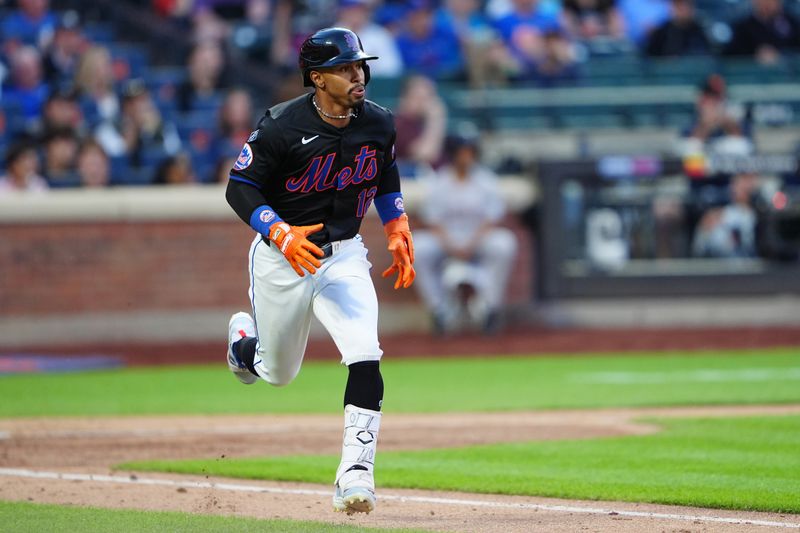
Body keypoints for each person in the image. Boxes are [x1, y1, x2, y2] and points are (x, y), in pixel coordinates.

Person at [223, 27, 415, 515]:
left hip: (344, 253)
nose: (358, 75)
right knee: (278, 373)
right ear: (317, 78)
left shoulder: (379, 122)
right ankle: (243, 347)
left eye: (360, 66)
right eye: (346, 68)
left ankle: (355, 474)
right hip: (283, 257)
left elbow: (385, 169)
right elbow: (240, 186)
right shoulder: (281, 125)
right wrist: (279, 231)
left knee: (365, 353)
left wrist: (395, 223)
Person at [412, 132, 517, 335]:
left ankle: (489, 307)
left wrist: (471, 244)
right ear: (452, 154)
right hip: (445, 240)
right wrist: (451, 245)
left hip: (478, 239)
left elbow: (492, 218)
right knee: (417, 246)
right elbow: (433, 220)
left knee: (504, 243)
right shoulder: (440, 181)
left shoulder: (486, 180)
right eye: (462, 152)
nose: (467, 157)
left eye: (470, 152)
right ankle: (439, 309)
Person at [724, 0, 800, 63]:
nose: (768, 3)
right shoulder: (743, 28)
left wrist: (781, 55)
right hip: (754, 77)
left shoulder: (792, 23)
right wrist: (755, 55)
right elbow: (731, 58)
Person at [644, 0, 711, 57]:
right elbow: (650, 60)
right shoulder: (661, 33)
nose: (684, 9)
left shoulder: (699, 31)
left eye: (687, 5)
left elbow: (707, 56)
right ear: (673, 7)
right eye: (680, 5)